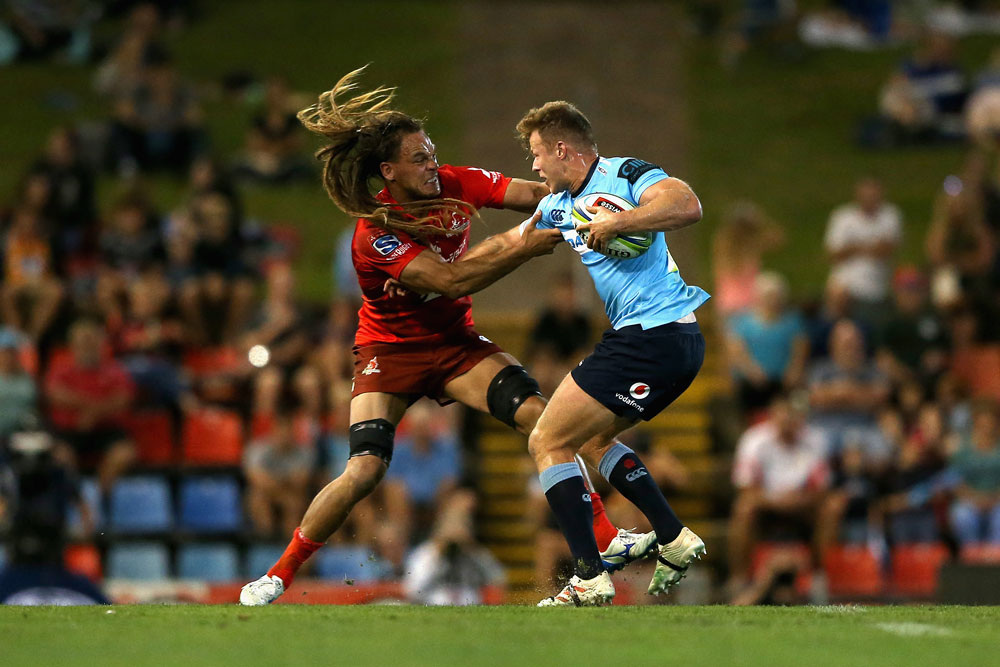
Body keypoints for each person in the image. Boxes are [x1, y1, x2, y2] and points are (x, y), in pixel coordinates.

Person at [240, 69, 650, 605]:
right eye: (419, 159)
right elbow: (449, 279)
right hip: (390, 353)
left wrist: (596, 199)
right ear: (388, 171)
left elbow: (532, 192)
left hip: (456, 346)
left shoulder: (455, 183)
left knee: (548, 422)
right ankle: (279, 573)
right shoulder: (374, 235)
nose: (432, 166)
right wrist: (522, 247)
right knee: (364, 470)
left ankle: (606, 538)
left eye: (431, 154)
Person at [510, 101, 709, 606]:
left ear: (561, 149)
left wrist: (621, 223)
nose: (534, 166)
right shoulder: (557, 203)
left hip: (655, 335)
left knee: (547, 441)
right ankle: (673, 536)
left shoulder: (626, 174)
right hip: (656, 341)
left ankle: (588, 576)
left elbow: (687, 206)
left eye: (537, 153)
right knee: (595, 439)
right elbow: (517, 230)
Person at [823, 177, 902, 328]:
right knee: (836, 292)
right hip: (846, 285)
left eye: (873, 194)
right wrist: (870, 246)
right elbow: (834, 254)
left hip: (878, 283)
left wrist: (853, 247)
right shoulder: (842, 217)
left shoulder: (891, 215)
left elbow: (886, 249)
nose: (869, 199)